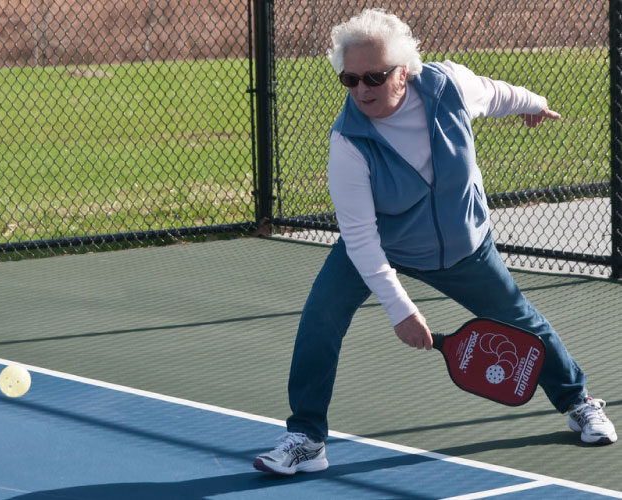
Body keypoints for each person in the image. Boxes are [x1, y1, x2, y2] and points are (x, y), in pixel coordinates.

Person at [253, 8, 617, 475]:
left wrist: (533, 102)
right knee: (320, 320)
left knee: (520, 321)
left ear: (403, 72)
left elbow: (497, 92)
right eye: (350, 79)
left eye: (375, 77)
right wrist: (401, 310)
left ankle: (577, 402)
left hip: (463, 248)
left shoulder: (448, 88)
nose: (362, 89)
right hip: (382, 245)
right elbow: (361, 238)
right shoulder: (348, 142)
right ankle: (306, 438)